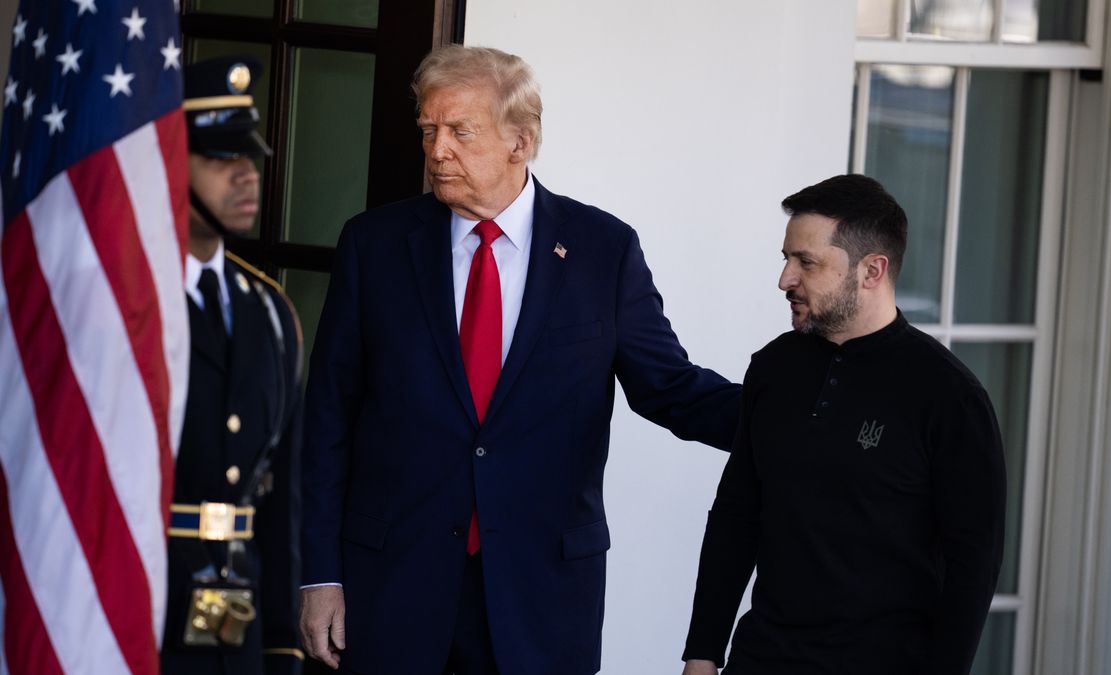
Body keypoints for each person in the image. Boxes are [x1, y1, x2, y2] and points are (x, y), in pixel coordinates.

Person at [298, 45, 740, 675]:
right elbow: (328, 421)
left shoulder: (601, 250)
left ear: (521, 141)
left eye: (460, 131)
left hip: (541, 597)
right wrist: (318, 575)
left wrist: (793, 418)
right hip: (393, 588)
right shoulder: (374, 246)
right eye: (429, 130)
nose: (437, 149)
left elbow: (668, 386)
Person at [681, 174, 1006, 675]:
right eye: (786, 259)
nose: (785, 279)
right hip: (762, 658)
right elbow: (736, 516)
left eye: (806, 262)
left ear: (872, 270)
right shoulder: (773, 368)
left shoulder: (949, 396)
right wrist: (703, 651)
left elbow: (974, 565)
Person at [163, 55, 305, 675]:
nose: (247, 176)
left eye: (249, 158)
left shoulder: (270, 311)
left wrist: (281, 642)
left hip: (236, 625)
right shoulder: (127, 304)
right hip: (135, 614)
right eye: (223, 160)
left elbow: (280, 500)